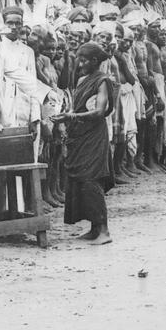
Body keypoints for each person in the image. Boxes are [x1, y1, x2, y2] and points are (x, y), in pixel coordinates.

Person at [51, 42, 114, 245]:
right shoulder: (81, 80)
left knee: (91, 180)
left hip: (94, 136)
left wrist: (71, 117)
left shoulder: (103, 81)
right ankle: (93, 228)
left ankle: (104, 230)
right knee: (80, 181)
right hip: (79, 135)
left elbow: (99, 111)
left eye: (84, 59)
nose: (80, 63)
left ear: (95, 61)